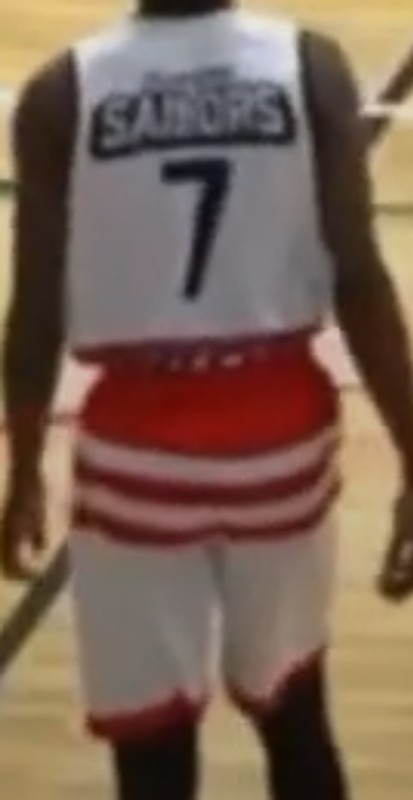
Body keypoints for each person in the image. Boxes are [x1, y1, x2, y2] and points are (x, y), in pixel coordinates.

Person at [1, 1, 413, 798]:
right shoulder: (310, 67)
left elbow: (36, 309)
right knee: (296, 720)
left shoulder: (62, 91)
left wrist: (22, 473)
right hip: (279, 446)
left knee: (151, 751)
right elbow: (360, 279)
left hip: (135, 455)